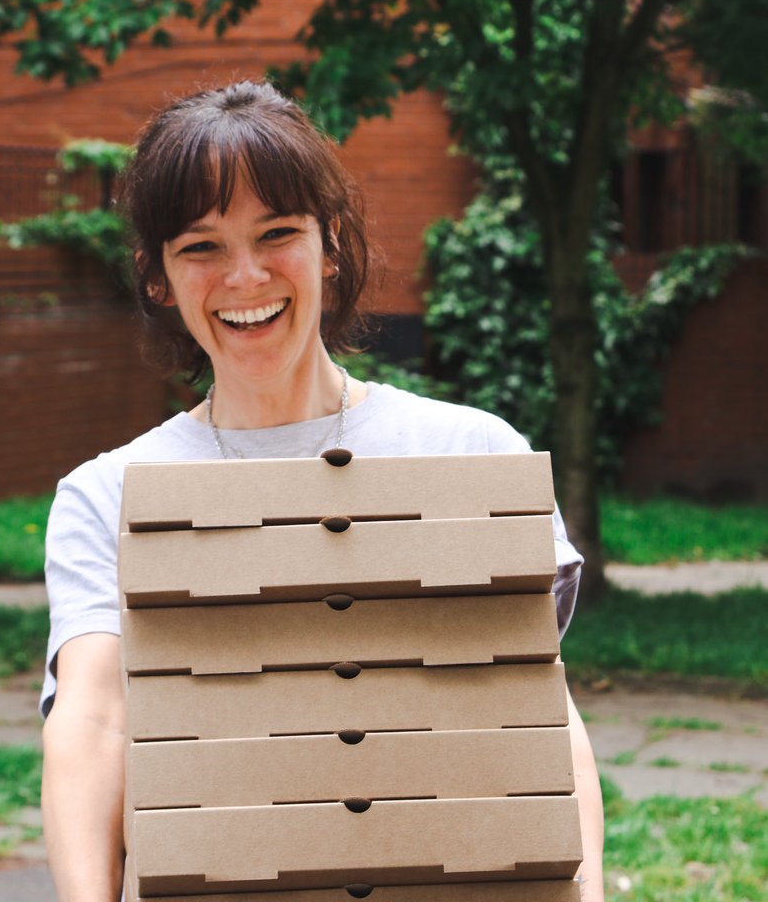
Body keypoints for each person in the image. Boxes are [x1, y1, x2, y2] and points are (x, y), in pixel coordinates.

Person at [40, 80, 605, 902]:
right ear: (156, 276)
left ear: (330, 243)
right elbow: (93, 723)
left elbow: (535, 709)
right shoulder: (109, 495)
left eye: (277, 233)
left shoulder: (467, 452)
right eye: (201, 247)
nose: (245, 275)